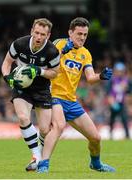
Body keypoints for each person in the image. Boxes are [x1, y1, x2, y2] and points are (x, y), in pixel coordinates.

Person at [36, 17, 115, 173]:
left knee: (96, 138)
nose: (82, 38)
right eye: (79, 34)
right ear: (70, 33)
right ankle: (43, 164)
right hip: (53, 95)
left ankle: (95, 164)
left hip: (71, 101)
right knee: (59, 126)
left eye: (85, 35)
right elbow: (45, 60)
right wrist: (64, 50)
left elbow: (90, 77)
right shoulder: (59, 43)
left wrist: (101, 76)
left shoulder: (85, 54)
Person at [1, 18, 60, 171]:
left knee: (45, 130)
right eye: (37, 33)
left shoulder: (52, 51)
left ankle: (38, 153)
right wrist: (8, 78)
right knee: (22, 118)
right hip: (22, 87)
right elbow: (7, 63)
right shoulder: (19, 44)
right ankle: (36, 156)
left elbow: (54, 74)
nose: (39, 37)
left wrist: (38, 71)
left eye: (43, 34)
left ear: (48, 35)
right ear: (32, 31)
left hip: (42, 89)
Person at [107, 62, 130, 139]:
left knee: (124, 119)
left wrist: (129, 104)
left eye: (121, 71)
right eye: (118, 71)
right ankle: (110, 135)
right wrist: (112, 103)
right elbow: (108, 93)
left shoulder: (127, 81)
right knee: (112, 120)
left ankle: (127, 135)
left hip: (122, 103)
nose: (120, 73)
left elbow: (128, 93)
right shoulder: (111, 81)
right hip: (114, 103)